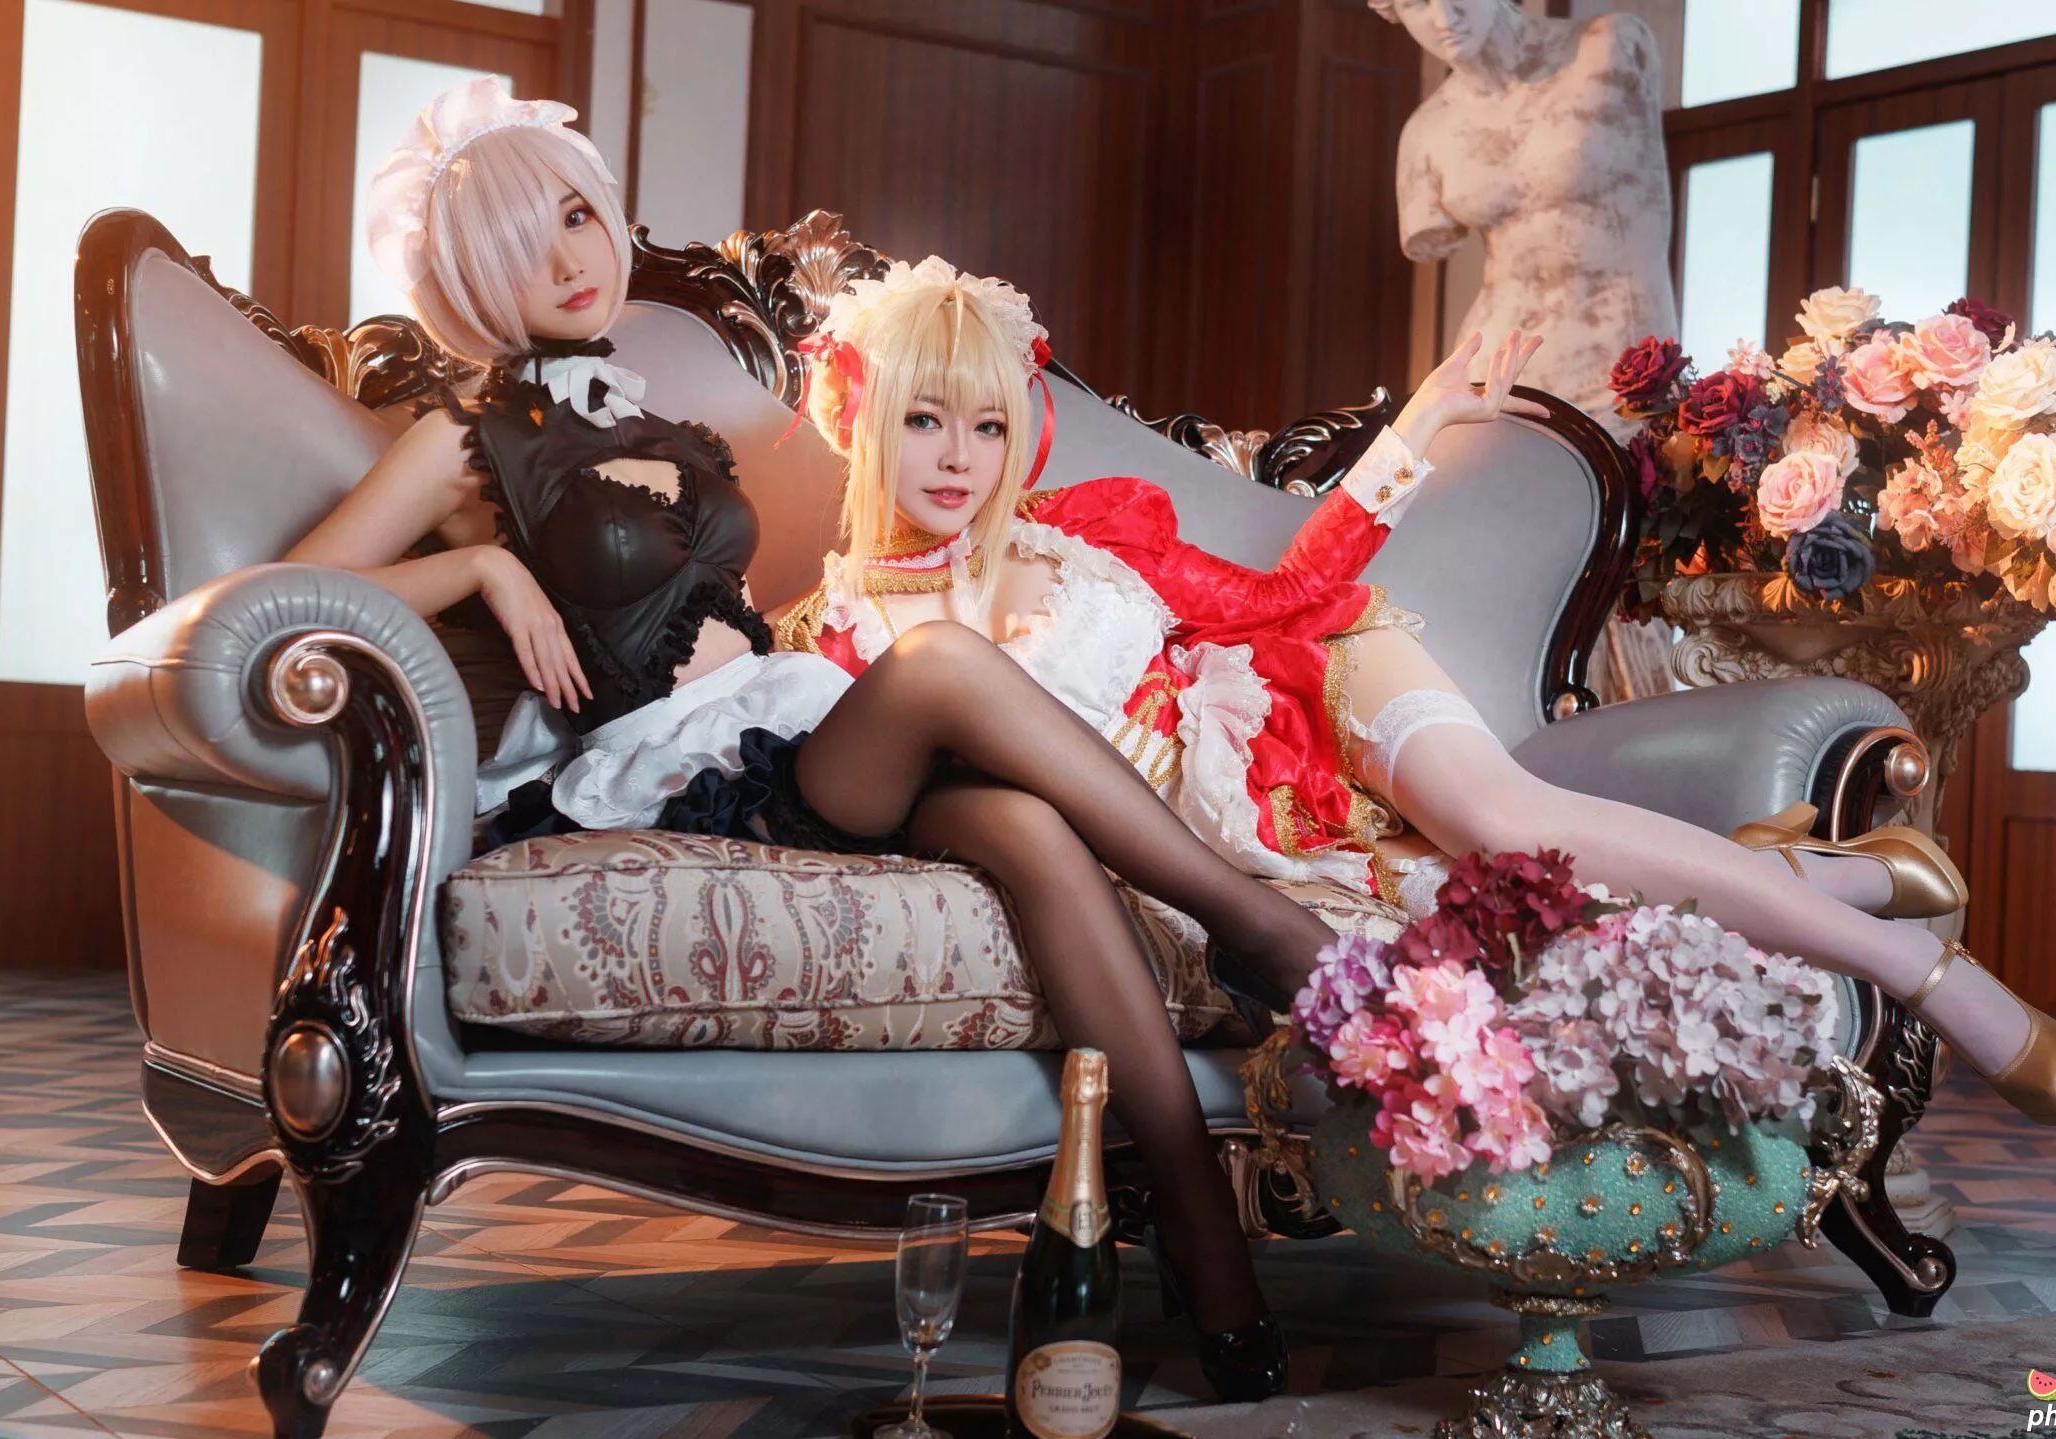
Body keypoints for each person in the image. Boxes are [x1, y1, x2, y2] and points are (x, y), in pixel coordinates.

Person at [279, 75, 1324, 1399]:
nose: (574, 259)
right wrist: (484, 569)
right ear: (475, 279)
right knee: (939, 661)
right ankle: (1263, 929)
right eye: (526, 244)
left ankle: (1204, 1244)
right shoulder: (462, 439)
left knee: (1031, 834)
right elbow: (293, 589)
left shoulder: (646, 416)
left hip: (792, 718)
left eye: (582, 217)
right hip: (689, 767)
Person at [774, 258, 2056, 1130]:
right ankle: (1835, 876)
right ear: (866, 421)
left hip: (1325, 666)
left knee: (1505, 821)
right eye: (926, 420)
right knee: (1522, 899)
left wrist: (1413, 432)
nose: (959, 457)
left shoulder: (1088, 528)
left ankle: (1922, 967)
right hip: (1258, 816)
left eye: (988, 423)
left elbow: (1285, 595)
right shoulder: (838, 641)